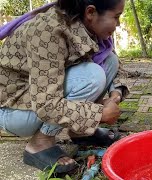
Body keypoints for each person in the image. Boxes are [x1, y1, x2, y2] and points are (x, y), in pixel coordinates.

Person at [0, 0, 129, 173]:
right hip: (14, 110)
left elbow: (114, 62)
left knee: (108, 60)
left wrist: (116, 93)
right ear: (91, 13)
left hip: (36, 99)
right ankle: (40, 144)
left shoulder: (88, 27)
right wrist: (99, 114)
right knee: (92, 76)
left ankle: (81, 132)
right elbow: (46, 105)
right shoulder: (47, 30)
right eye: (116, 17)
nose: (118, 24)